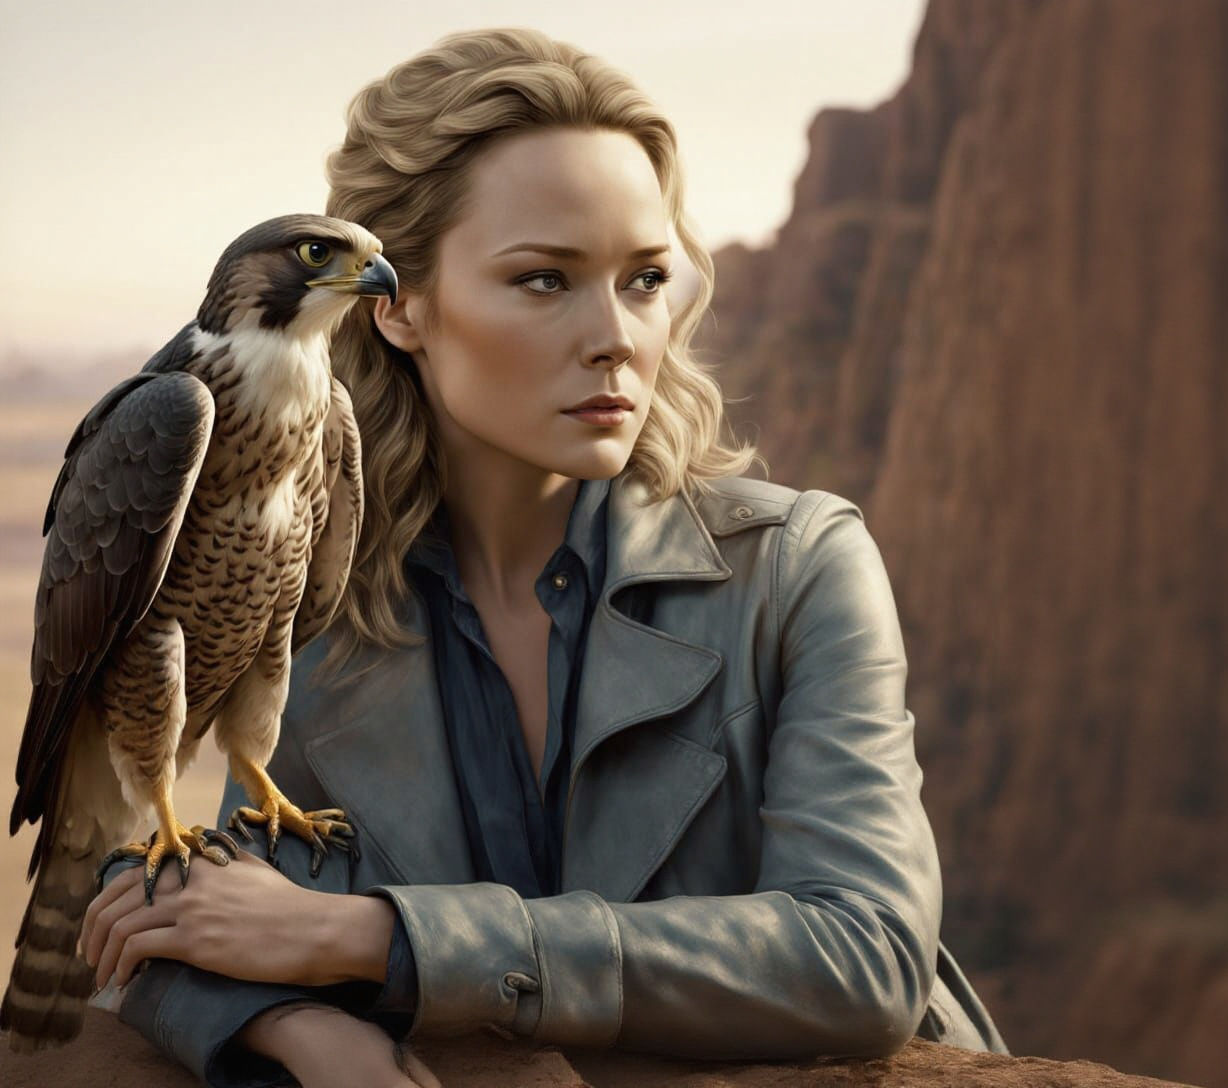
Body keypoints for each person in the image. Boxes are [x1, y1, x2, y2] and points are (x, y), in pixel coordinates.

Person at [78, 27, 1008, 1088]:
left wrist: (377, 939)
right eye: (544, 280)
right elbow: (191, 908)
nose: (616, 336)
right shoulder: (317, 594)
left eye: (644, 278)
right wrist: (295, 1026)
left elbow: (864, 955)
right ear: (400, 307)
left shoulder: (797, 568)